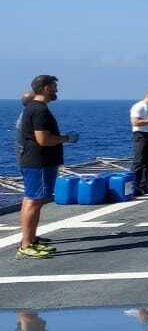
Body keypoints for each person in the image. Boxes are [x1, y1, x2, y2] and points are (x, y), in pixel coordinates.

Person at [15, 74, 77, 259]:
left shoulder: (34, 108)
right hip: (39, 162)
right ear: (45, 88)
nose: (56, 90)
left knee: (32, 200)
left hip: (34, 161)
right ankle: (26, 245)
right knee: (34, 201)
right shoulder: (39, 110)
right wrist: (66, 139)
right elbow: (43, 139)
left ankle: (30, 239)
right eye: (54, 86)